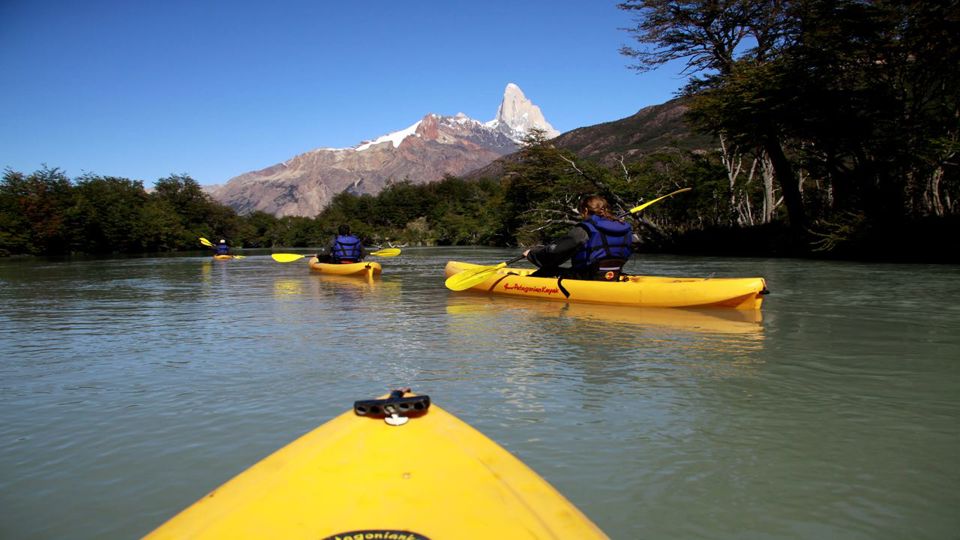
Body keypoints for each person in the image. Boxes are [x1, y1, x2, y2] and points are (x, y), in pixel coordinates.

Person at [523, 195, 633, 281]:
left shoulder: (585, 229)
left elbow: (556, 253)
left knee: (546, 271)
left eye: (581, 212)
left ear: (585, 210)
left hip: (587, 277)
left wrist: (532, 255)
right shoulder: (625, 227)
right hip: (614, 275)